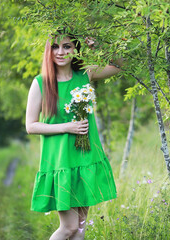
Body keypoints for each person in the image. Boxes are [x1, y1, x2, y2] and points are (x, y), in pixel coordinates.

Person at [25, 32, 122, 240]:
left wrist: (97, 48)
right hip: (60, 161)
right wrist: (66, 127)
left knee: (79, 229)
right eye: (55, 47)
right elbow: (31, 126)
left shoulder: (85, 75)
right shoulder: (40, 83)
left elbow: (119, 65)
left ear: (75, 49)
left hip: (85, 159)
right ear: (48, 50)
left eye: (67, 46)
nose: (61, 52)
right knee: (68, 227)